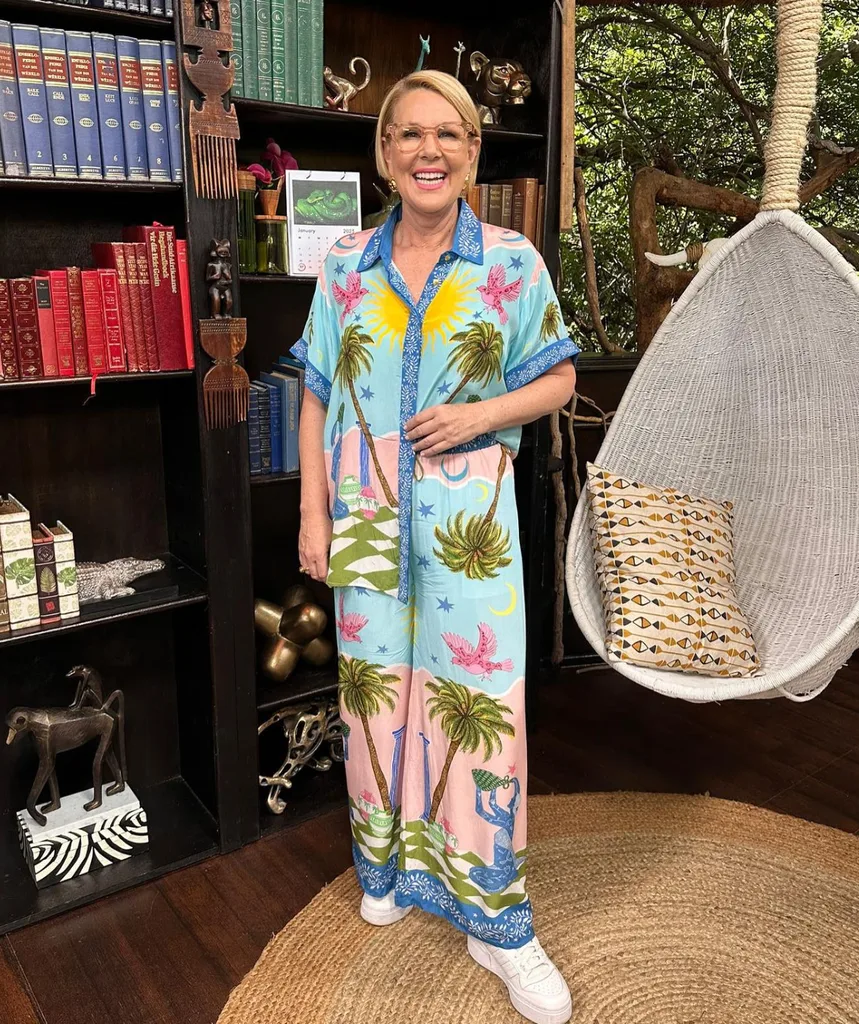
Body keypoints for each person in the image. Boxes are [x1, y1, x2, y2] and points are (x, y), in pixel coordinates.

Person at [293, 70, 578, 1024]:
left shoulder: (510, 262)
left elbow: (559, 382)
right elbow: (316, 394)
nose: (428, 150)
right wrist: (312, 514)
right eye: (409, 134)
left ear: (471, 154)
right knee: (373, 701)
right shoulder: (343, 266)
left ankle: (498, 923)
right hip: (365, 521)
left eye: (447, 134)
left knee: (476, 705)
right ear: (383, 155)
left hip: (471, 534)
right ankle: (386, 865)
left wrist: (480, 415)